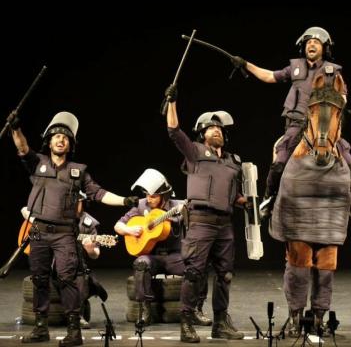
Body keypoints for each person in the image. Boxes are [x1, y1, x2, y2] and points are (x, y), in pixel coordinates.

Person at [9, 111, 139, 346]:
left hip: (64, 233)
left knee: (68, 279)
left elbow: (98, 193)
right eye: (56, 136)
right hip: (38, 230)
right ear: (49, 141)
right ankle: (41, 328)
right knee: (39, 279)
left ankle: (73, 330)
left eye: (65, 138)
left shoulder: (78, 171)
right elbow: (22, 147)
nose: (61, 140)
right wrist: (15, 128)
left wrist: (124, 201)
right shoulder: (37, 163)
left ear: (70, 145)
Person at [232, 26, 351, 220]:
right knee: (280, 160)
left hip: (323, 125)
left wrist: (330, 101)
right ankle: (269, 199)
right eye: (308, 41)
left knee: (349, 160)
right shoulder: (294, 67)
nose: (311, 44)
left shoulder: (333, 71)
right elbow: (269, 76)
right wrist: (246, 65)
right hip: (296, 123)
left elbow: (343, 98)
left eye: (316, 42)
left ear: (324, 48)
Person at [164, 86, 247, 342]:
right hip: (200, 221)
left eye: (220, 129)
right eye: (211, 128)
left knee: (225, 275)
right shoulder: (195, 153)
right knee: (194, 273)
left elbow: (236, 195)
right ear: (202, 134)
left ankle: (220, 323)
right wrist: (172, 102)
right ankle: (186, 322)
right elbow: (174, 131)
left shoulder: (234, 161)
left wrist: (249, 202)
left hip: (225, 224)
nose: (216, 131)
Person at [114, 168, 211, 326]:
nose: (149, 199)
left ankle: (196, 310)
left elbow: (195, 219)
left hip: (175, 257)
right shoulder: (140, 205)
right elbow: (118, 226)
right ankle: (145, 311)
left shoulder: (178, 205)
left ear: (163, 195)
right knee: (140, 264)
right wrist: (129, 230)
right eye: (147, 195)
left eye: (153, 196)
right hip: (152, 257)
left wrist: (184, 214)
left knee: (199, 265)